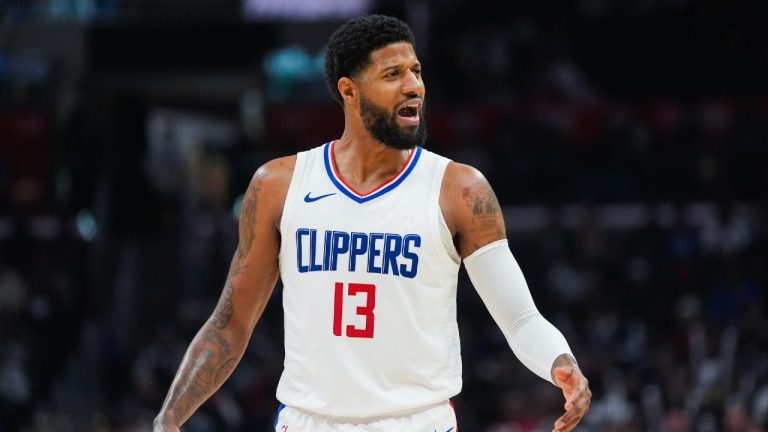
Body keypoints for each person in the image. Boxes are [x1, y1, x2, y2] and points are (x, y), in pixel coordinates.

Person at [154, 14, 591, 432]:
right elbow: (231, 322)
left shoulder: (459, 190)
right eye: (393, 74)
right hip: (308, 422)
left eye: (416, 71)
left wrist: (560, 361)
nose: (413, 86)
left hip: (418, 422)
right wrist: (170, 416)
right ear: (349, 90)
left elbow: (519, 318)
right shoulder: (278, 185)